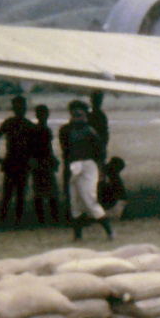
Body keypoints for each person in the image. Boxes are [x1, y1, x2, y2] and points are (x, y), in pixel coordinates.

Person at [58, 100, 112, 241]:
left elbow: (100, 153)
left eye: (79, 114)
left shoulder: (90, 131)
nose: (76, 117)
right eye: (74, 114)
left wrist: (101, 173)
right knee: (74, 201)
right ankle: (77, 235)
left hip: (88, 165)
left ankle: (109, 231)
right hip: (73, 165)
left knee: (89, 198)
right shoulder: (65, 130)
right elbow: (65, 152)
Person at [0, 95, 34, 224]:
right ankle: (9, 217)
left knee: (17, 192)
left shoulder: (23, 124)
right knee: (10, 192)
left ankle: (14, 217)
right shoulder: (22, 124)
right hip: (14, 160)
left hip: (19, 161)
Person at [27, 104, 62, 223]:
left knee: (39, 191)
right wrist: (52, 160)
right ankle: (53, 216)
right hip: (44, 161)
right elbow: (47, 148)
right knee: (51, 191)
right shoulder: (44, 130)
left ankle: (40, 217)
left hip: (36, 161)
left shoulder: (33, 129)